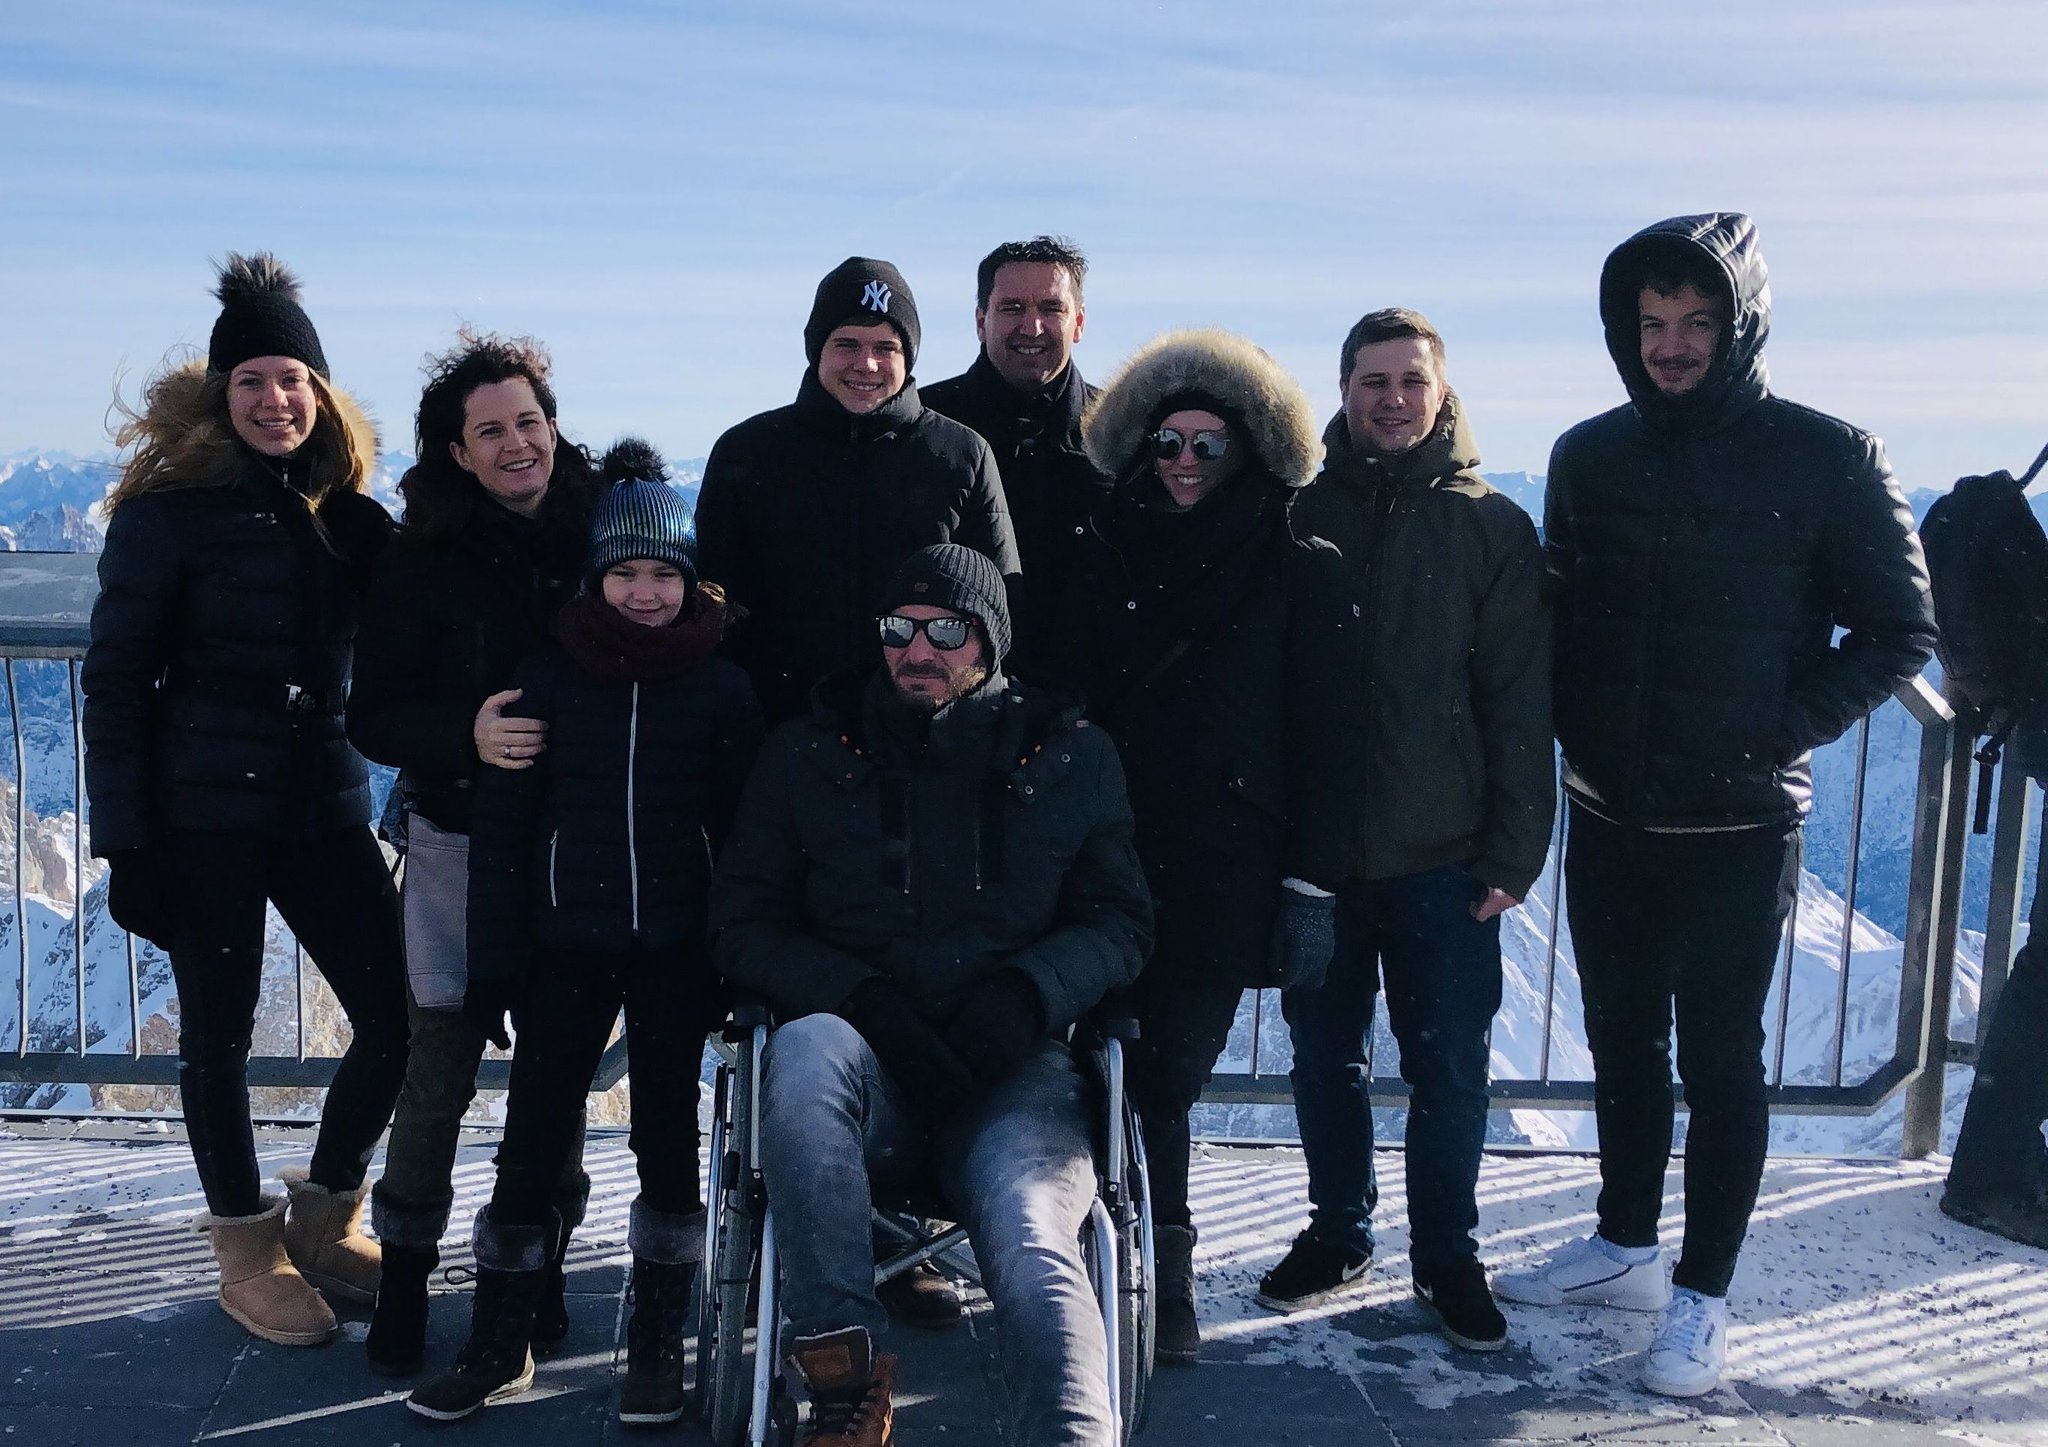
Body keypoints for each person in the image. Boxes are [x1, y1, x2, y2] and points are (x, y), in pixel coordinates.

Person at [1499, 213, 1935, 1397]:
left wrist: (1774, 728)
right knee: (1619, 1041)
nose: (1670, 344)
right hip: (1605, 809)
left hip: (1739, 822)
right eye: (1650, 323)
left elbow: (1900, 629)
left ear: (1739, 325)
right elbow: (1560, 611)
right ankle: (1622, 1246)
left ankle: (1700, 1296)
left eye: (1695, 321)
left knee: (1720, 1060)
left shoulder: (1827, 456)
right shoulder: (1587, 455)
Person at [711, 544, 1152, 1447]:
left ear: (990, 640)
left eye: (947, 631)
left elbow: (1120, 921)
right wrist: (861, 998)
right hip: (865, 1073)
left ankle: (1073, 1433)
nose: (919, 651)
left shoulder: (1071, 754)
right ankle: (844, 1392)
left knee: (1033, 1234)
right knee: (803, 1048)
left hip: (1015, 1076)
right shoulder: (807, 752)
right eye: (899, 629)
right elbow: (742, 923)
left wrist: (1027, 993)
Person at [81, 253, 407, 1346]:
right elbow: (117, 682)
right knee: (216, 1037)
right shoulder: (166, 515)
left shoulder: (346, 516)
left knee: (397, 1016)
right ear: (220, 394)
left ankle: (323, 1217)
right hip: (202, 815)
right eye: (253, 379)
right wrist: (128, 843)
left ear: (323, 395)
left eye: (293, 380)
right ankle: (244, 1251)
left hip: (321, 804)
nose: (276, 399)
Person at [408, 441, 762, 1423]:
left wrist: (735, 955)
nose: (644, 594)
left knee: (666, 1140)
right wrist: (492, 967)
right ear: (595, 577)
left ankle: (655, 1339)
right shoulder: (548, 679)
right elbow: (504, 838)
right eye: (625, 573)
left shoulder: (723, 688)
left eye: (663, 575)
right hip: (563, 947)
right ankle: (499, 1334)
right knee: (530, 1139)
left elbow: (746, 840)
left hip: (678, 951)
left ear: (691, 581)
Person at [1053, 329, 1365, 1364]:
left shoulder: (1302, 571)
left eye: (1208, 444)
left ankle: (1163, 1277)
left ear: (1248, 450)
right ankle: (1104, 1260)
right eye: (1167, 442)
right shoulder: (1097, 553)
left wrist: (1310, 887)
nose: (1184, 462)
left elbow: (1329, 742)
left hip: (1223, 871)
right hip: (1096, 859)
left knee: (1165, 1076)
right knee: (1095, 1065)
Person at [1261, 309, 1551, 1352]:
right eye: (1372, 381)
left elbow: (1519, 700)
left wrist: (1515, 850)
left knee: (1450, 1069)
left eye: (1410, 381)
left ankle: (1446, 1258)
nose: (1391, 399)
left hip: (1445, 856)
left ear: (1441, 391)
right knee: (1321, 1056)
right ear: (1341, 390)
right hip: (1320, 855)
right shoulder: (1297, 511)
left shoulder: (1490, 526)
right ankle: (1339, 1230)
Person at [346, 331, 602, 1373]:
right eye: (489, 431)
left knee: (558, 1067)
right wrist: (467, 734)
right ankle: (406, 1278)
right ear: (456, 451)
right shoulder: (421, 560)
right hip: (457, 835)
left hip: (576, 841)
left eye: (528, 422)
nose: (515, 445)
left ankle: (539, 1268)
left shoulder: (605, 534)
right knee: (439, 1066)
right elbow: (372, 714)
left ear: (555, 427)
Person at [696, 256, 1020, 726]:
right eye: (846, 344)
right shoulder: (747, 453)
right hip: (779, 725)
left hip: (924, 729)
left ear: (908, 357)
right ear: (817, 349)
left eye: (885, 347)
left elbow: (1000, 610)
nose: (866, 364)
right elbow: (712, 604)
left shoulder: (960, 455)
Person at [921, 236, 1109, 673]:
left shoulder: (1124, 435)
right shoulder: (924, 430)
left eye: (1051, 308)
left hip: (1092, 695)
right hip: (950, 687)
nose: (1032, 327)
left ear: (1079, 322)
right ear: (980, 321)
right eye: (1012, 308)